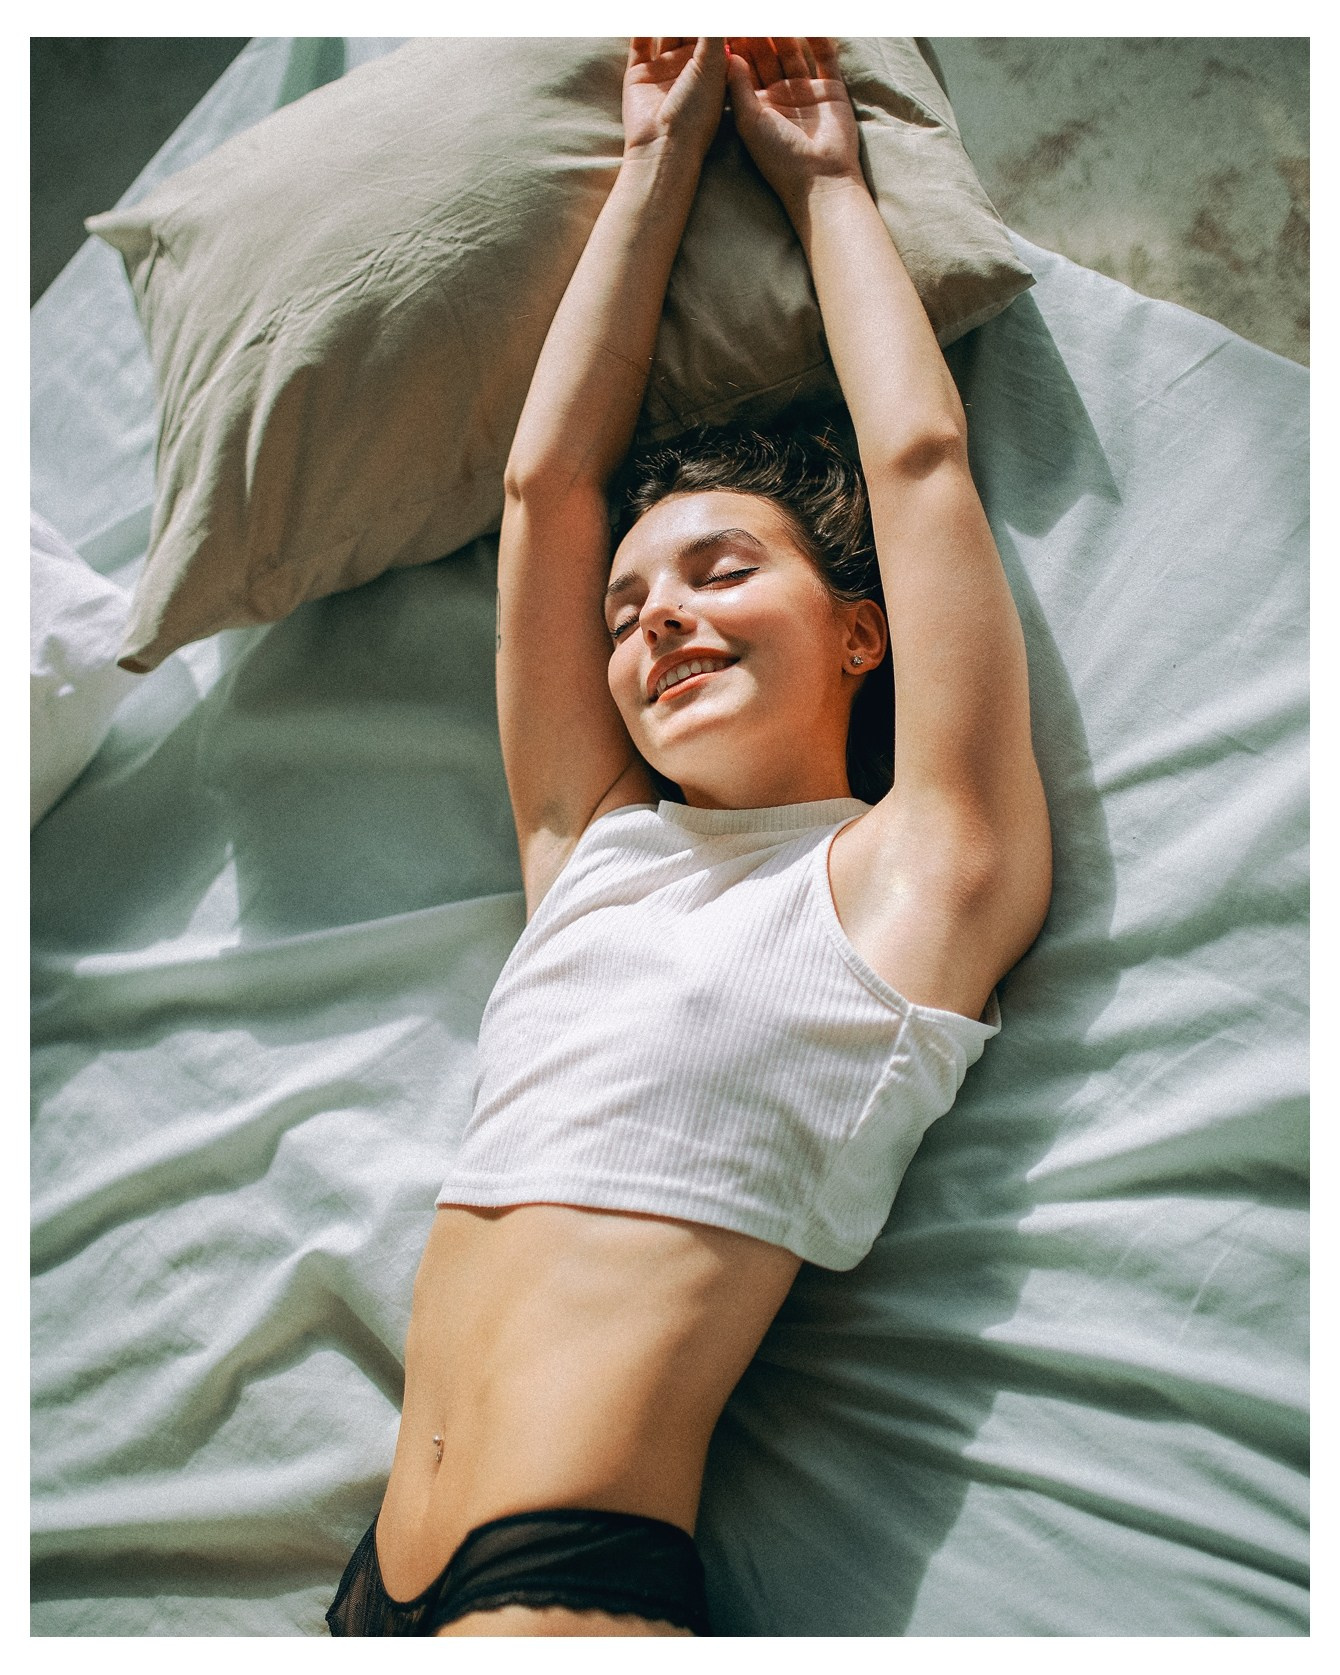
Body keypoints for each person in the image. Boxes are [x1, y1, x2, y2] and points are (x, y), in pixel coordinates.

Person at [325, 35, 1051, 1637]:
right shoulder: (594, 849)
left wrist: (827, 182)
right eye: (629, 610)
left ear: (862, 632)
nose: (659, 619)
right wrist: (653, 164)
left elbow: (919, 464)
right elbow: (546, 488)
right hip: (378, 1587)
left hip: (560, 1582)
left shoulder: (913, 876)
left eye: (723, 573)